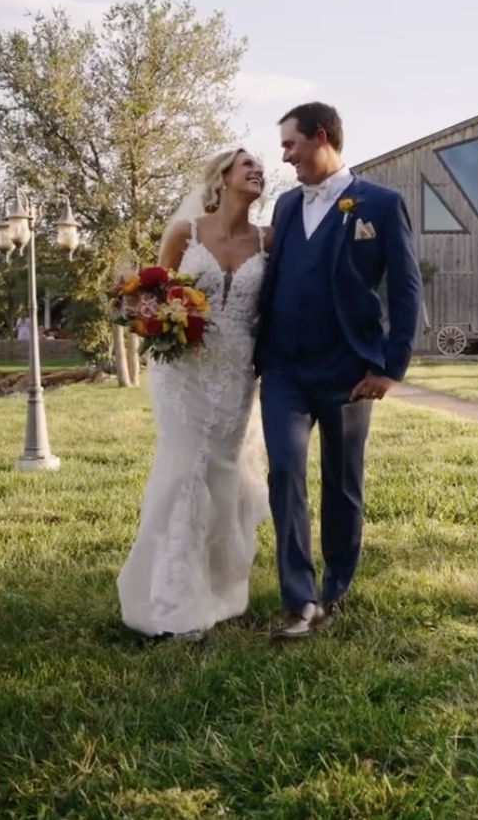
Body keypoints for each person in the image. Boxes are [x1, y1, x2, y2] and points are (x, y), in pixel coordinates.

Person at [255, 102, 422, 639]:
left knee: (342, 482)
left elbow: (404, 288)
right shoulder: (283, 207)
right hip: (283, 367)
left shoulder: (380, 204)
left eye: (291, 145)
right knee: (284, 472)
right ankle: (301, 600)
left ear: (320, 137)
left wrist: (390, 367)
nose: (285, 158)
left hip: (349, 370)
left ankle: (337, 585)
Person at [116, 148, 272, 640]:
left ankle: (221, 593)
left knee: (222, 479)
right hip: (184, 371)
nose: (258, 171)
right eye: (247, 165)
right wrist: (157, 317)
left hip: (237, 374)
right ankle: (172, 600)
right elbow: (153, 294)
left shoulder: (269, 240)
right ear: (221, 177)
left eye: (262, 168)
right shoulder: (186, 233)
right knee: (184, 470)